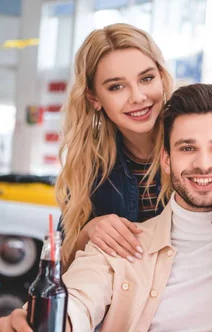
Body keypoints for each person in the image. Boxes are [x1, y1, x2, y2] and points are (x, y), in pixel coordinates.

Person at [0, 84, 212, 332]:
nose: (203, 164)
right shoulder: (121, 243)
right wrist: (38, 326)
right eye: (187, 148)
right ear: (166, 160)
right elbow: (80, 297)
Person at [55, 23, 174, 265]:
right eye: (116, 87)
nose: (138, 97)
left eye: (147, 78)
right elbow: (60, 265)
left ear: (161, 78)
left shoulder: (203, 143)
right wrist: (89, 231)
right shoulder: (90, 164)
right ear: (94, 98)